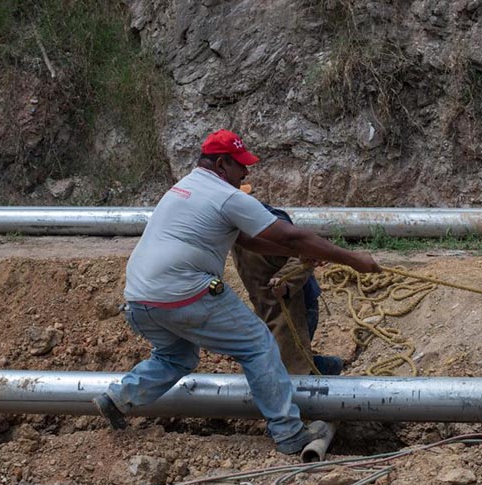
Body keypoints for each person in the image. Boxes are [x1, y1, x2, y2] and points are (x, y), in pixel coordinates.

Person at [92, 129, 380, 455]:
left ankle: (119, 398)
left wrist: (300, 255)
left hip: (140, 300)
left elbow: (245, 240)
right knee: (258, 345)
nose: (246, 173)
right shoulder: (227, 196)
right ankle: (289, 433)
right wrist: (354, 259)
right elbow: (291, 237)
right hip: (184, 291)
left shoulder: (183, 188)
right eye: (240, 165)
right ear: (221, 164)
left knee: (176, 357)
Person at [232, 201, 344, 376]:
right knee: (274, 362)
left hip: (294, 306)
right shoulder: (233, 228)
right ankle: (326, 368)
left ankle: (328, 371)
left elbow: (301, 255)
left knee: (288, 366)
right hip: (265, 306)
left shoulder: (273, 222)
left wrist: (284, 282)